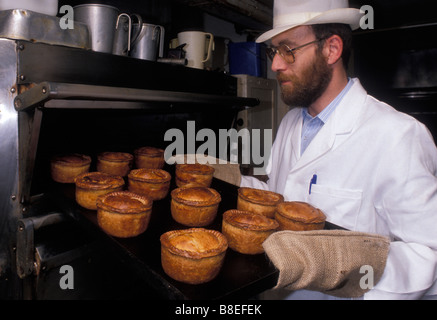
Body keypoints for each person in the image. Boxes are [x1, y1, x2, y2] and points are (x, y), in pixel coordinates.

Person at [210, 0, 437, 299]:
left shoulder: (397, 135)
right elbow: (281, 197)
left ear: (332, 49)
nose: (276, 64)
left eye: (288, 49)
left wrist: (345, 265)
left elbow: (429, 253)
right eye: (274, 51)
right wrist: (227, 177)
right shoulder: (292, 121)